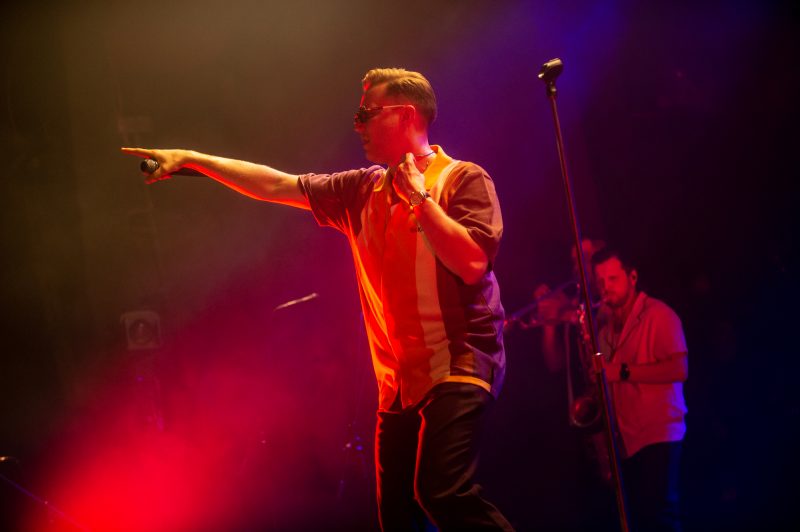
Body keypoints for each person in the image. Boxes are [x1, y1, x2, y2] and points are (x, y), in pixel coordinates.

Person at [122, 68, 513, 531]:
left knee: (441, 491)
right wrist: (191, 159)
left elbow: (472, 264)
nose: (357, 124)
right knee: (397, 518)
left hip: (458, 361)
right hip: (399, 384)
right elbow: (276, 184)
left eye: (366, 114)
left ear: (406, 115)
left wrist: (420, 200)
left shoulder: (462, 178)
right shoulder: (362, 190)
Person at [591, 247, 688, 531]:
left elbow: (679, 370)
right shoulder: (605, 332)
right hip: (629, 441)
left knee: (660, 519)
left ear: (632, 277)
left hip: (659, 433)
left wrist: (621, 372)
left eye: (613, 279)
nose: (605, 287)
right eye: (600, 282)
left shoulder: (659, 315)